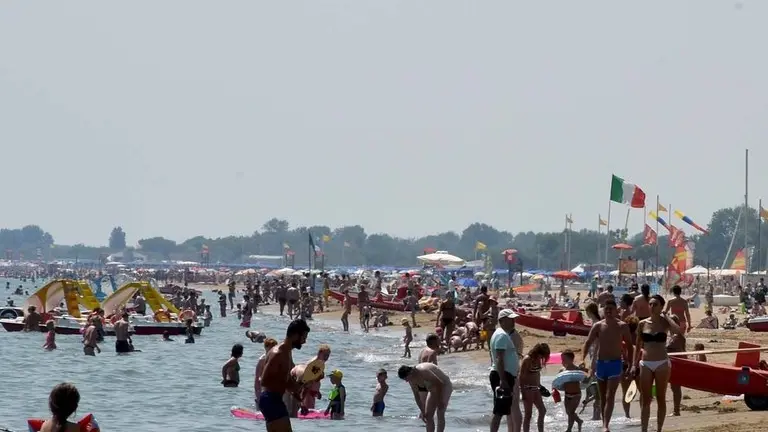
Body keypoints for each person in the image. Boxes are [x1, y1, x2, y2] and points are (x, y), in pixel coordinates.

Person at [632, 295, 682, 432]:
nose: (652, 307)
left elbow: (678, 331)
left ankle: (659, 429)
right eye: (651, 304)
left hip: (661, 362)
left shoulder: (664, 322)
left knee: (661, 397)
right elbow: (638, 345)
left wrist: (666, 316)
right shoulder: (642, 323)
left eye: (655, 304)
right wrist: (633, 365)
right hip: (646, 362)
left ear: (661, 306)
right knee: (645, 398)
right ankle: (644, 429)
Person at [582, 299, 633, 432]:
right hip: (601, 364)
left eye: (611, 308)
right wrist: (583, 359)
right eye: (606, 308)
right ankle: (605, 422)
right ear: (603, 310)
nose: (609, 311)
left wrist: (630, 363)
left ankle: (606, 425)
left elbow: (629, 345)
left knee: (610, 395)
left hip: (615, 363)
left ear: (616, 310)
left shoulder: (622, 326)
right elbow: (588, 342)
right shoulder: (598, 326)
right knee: (603, 395)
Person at [259, 319, 311, 432]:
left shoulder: (287, 352)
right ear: (295, 335)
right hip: (270, 399)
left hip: (274, 399)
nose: (304, 341)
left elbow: (287, 382)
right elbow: (264, 381)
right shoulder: (278, 353)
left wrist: (302, 384)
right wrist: (287, 385)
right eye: (304, 337)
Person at [489, 309, 523, 432]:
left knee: (503, 408)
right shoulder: (502, 335)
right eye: (510, 319)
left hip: (505, 374)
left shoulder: (501, 334)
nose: (513, 321)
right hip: (503, 375)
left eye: (514, 319)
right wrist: (503, 380)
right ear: (502, 320)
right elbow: (499, 358)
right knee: (499, 410)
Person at [398, 363, 453, 432]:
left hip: (444, 384)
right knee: (428, 416)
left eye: (406, 378)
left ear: (410, 372)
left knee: (440, 411)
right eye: (404, 379)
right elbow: (416, 396)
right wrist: (422, 411)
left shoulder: (423, 371)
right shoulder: (411, 380)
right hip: (432, 389)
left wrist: (440, 400)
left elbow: (439, 384)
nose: (406, 381)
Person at [519, 343, 550, 432]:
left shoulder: (538, 359)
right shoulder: (528, 359)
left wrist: (540, 386)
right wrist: (523, 392)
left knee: (542, 410)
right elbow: (521, 376)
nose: (543, 358)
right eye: (543, 355)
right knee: (528, 415)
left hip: (536, 388)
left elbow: (537, 374)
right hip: (527, 388)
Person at [559, 350, 585, 432]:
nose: (562, 361)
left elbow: (585, 377)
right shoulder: (562, 370)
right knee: (568, 412)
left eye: (564, 359)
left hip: (576, 394)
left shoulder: (577, 369)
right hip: (567, 394)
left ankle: (569, 429)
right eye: (561, 359)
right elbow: (558, 381)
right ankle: (579, 421)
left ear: (571, 359)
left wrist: (584, 369)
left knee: (571, 412)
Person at [255, 338, 279, 409]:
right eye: (270, 348)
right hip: (263, 390)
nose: (272, 350)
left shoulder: (277, 359)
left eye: (274, 348)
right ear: (265, 348)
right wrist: (258, 396)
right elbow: (257, 379)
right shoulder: (262, 360)